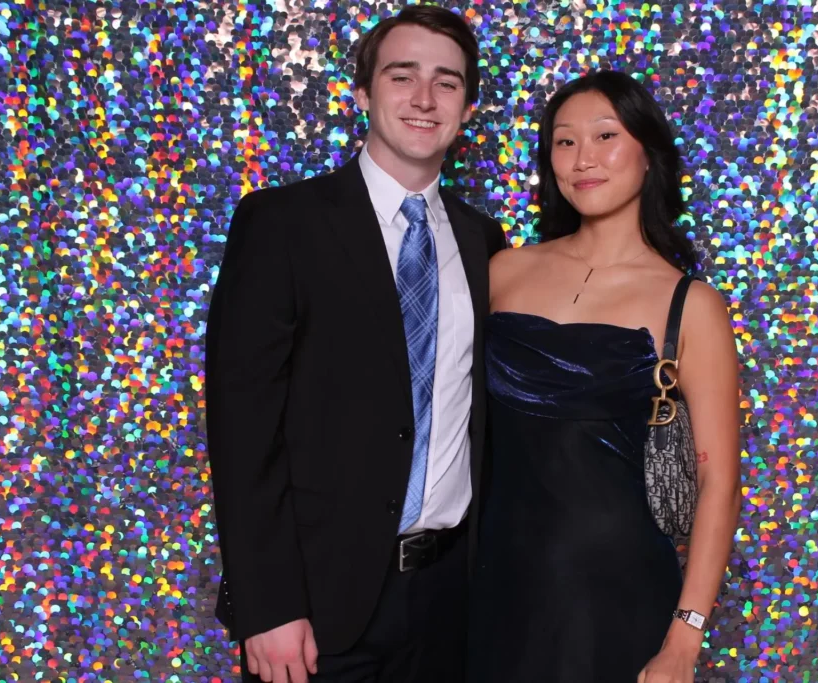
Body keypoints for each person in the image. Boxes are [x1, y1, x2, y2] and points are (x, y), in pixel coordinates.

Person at [205, 6, 505, 682]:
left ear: (468, 106)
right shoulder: (282, 224)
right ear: (363, 93)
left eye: (447, 82)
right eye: (403, 77)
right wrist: (267, 603)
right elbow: (241, 425)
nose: (424, 99)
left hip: (450, 601)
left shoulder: (485, 244)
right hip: (316, 605)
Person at [467, 70, 742, 683]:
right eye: (564, 142)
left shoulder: (690, 304)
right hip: (493, 583)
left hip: (616, 593)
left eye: (605, 136)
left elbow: (717, 478)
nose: (582, 159)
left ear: (649, 155)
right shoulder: (504, 271)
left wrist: (684, 639)